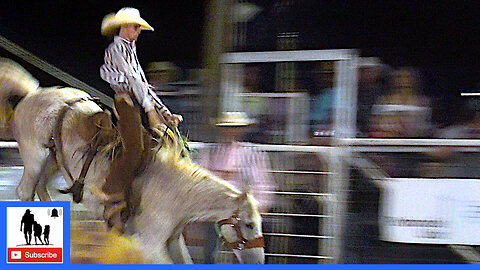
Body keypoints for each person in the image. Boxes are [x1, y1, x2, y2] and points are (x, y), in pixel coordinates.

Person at [99, 7, 183, 232]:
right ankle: (113, 192)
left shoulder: (129, 49)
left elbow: (143, 85)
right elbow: (133, 80)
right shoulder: (117, 48)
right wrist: (151, 111)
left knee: (148, 147)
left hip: (133, 101)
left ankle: (134, 195)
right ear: (125, 27)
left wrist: (164, 112)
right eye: (136, 27)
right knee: (135, 149)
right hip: (125, 101)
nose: (138, 31)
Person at [198, 112, 276, 263]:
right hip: (217, 211)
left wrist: (257, 209)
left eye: (235, 128)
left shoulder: (253, 153)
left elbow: (263, 183)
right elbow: (202, 177)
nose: (231, 131)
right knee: (212, 253)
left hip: (243, 212)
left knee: (247, 253)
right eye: (227, 128)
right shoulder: (210, 151)